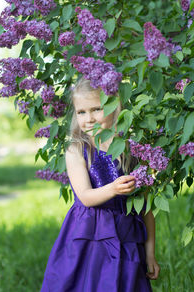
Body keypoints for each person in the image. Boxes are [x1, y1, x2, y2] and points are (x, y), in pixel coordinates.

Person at [40, 77, 160, 292]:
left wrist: (150, 252)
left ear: (114, 105)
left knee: (127, 283)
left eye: (96, 109)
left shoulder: (130, 147)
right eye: (81, 112)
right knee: (89, 283)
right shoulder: (77, 149)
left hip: (127, 235)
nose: (88, 119)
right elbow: (86, 197)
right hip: (89, 236)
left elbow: (146, 206)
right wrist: (113, 188)